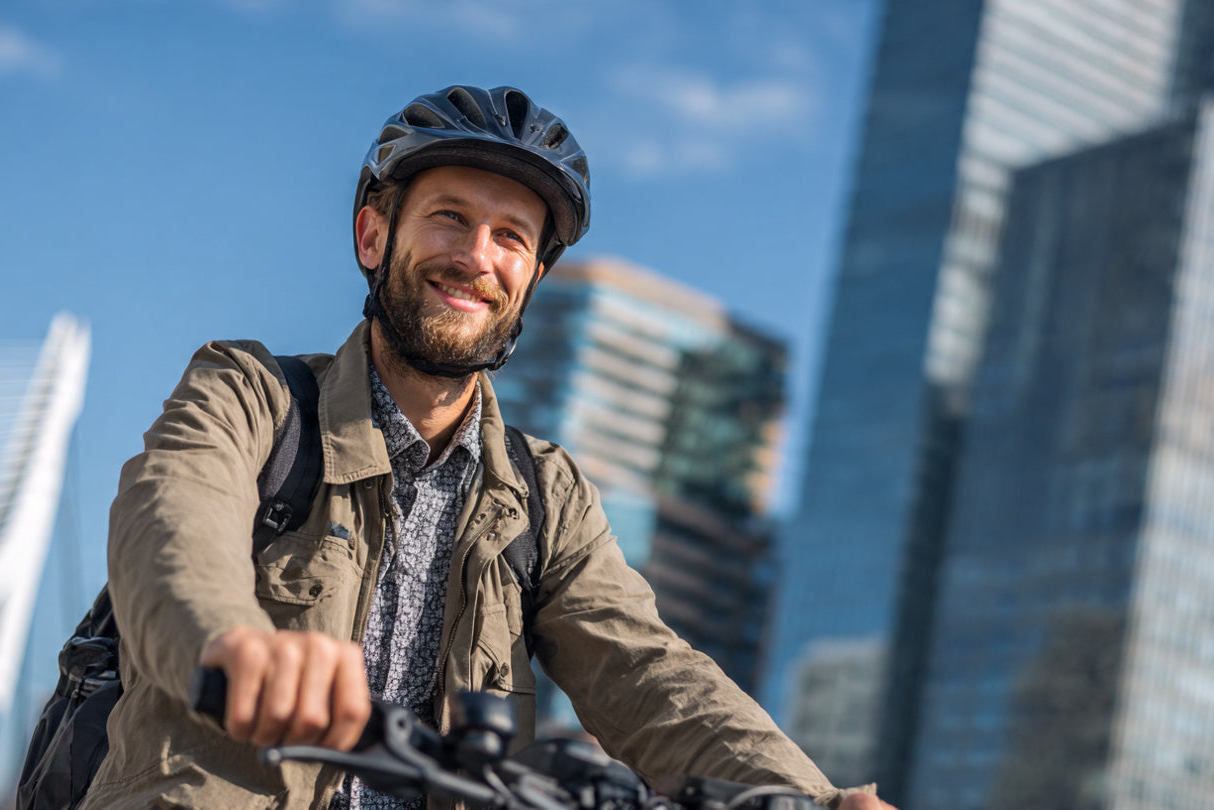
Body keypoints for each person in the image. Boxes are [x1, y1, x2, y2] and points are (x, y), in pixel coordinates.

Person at [83, 85, 890, 810]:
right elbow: (173, 522)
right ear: (373, 236)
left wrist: (811, 800)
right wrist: (236, 644)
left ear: (533, 278)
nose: (476, 258)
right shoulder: (253, 395)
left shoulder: (546, 495)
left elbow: (648, 672)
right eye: (450, 217)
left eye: (511, 237)